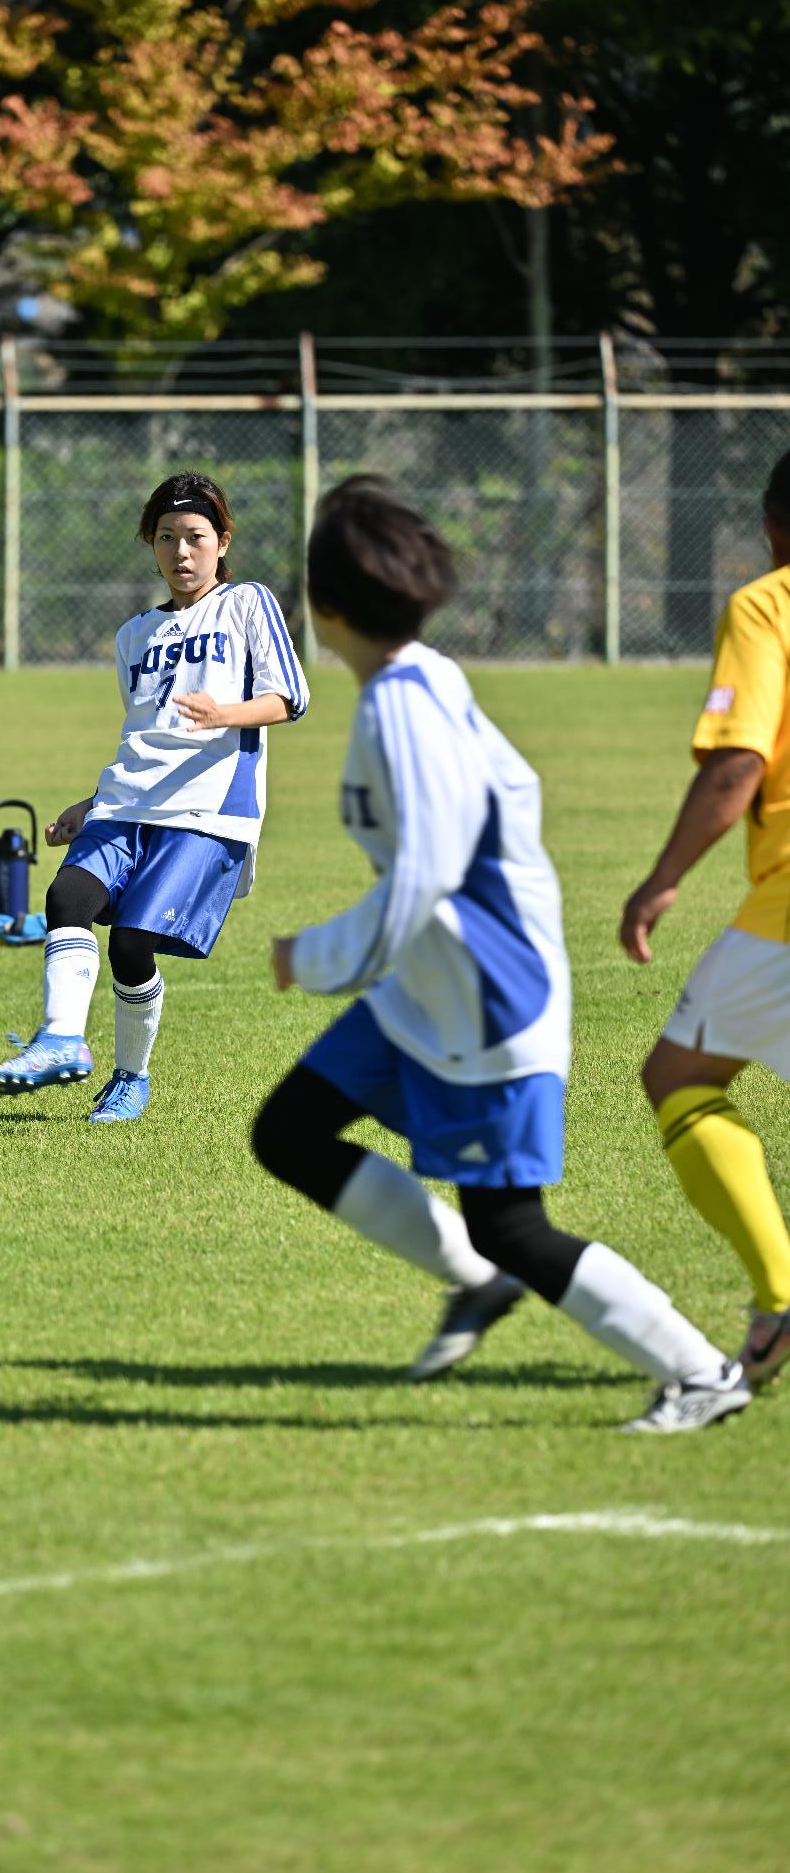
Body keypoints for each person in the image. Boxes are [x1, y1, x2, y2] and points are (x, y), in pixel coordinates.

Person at [252, 474, 749, 1434]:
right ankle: (475, 1282)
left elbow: (424, 878)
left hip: (487, 998)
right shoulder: (421, 678)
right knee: (290, 1132)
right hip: (423, 992)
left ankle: (699, 1372)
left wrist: (311, 957)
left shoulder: (404, 704)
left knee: (513, 1223)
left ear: (323, 608)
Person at [0, 470, 309, 1124]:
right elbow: (145, 737)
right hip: (125, 803)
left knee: (131, 941)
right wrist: (91, 799)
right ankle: (60, 1040)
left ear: (221, 541)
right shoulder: (133, 636)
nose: (180, 552)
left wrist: (225, 713)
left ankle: (130, 1078)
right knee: (67, 897)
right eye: (165, 538)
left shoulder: (246, 604)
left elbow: (289, 697)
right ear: (149, 545)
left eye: (194, 537)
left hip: (206, 811)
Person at [620, 445, 790, 1389]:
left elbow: (736, 766)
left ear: (773, 529)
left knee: (679, 1074)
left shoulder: (768, 603)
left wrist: (662, 877)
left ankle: (780, 1295)